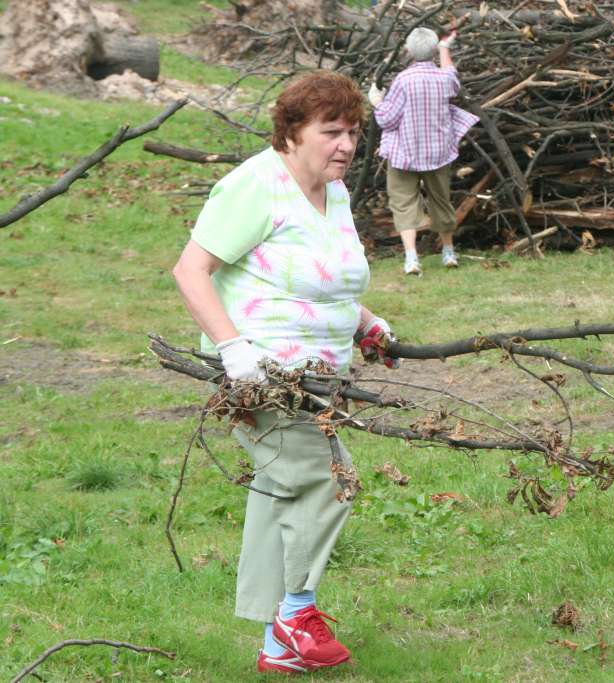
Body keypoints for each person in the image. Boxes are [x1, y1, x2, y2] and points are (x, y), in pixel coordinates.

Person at [172, 71, 398, 675]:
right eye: (332, 132)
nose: (346, 145)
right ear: (292, 133)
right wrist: (235, 352)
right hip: (262, 375)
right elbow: (190, 271)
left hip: (320, 380)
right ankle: (296, 612)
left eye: (353, 132)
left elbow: (322, 280)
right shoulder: (255, 186)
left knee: (280, 495)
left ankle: (278, 646)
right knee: (329, 478)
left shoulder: (335, 192)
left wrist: (367, 324)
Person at [368, 26, 478, 275]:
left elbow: (387, 120)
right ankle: (448, 252)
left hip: (405, 155)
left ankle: (412, 258)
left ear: (407, 50)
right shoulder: (443, 79)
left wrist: (377, 101)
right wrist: (445, 47)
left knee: (404, 203)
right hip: (437, 153)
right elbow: (451, 73)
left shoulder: (403, 81)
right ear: (432, 50)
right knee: (441, 200)